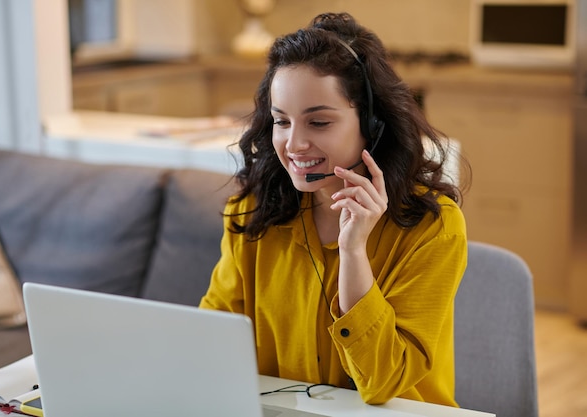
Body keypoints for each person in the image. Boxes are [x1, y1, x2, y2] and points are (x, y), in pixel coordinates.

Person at [200, 12, 469, 407]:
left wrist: (354, 252)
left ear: (373, 124)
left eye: (319, 122)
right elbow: (210, 342)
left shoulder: (433, 226)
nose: (293, 144)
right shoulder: (253, 210)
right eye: (281, 121)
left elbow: (381, 382)